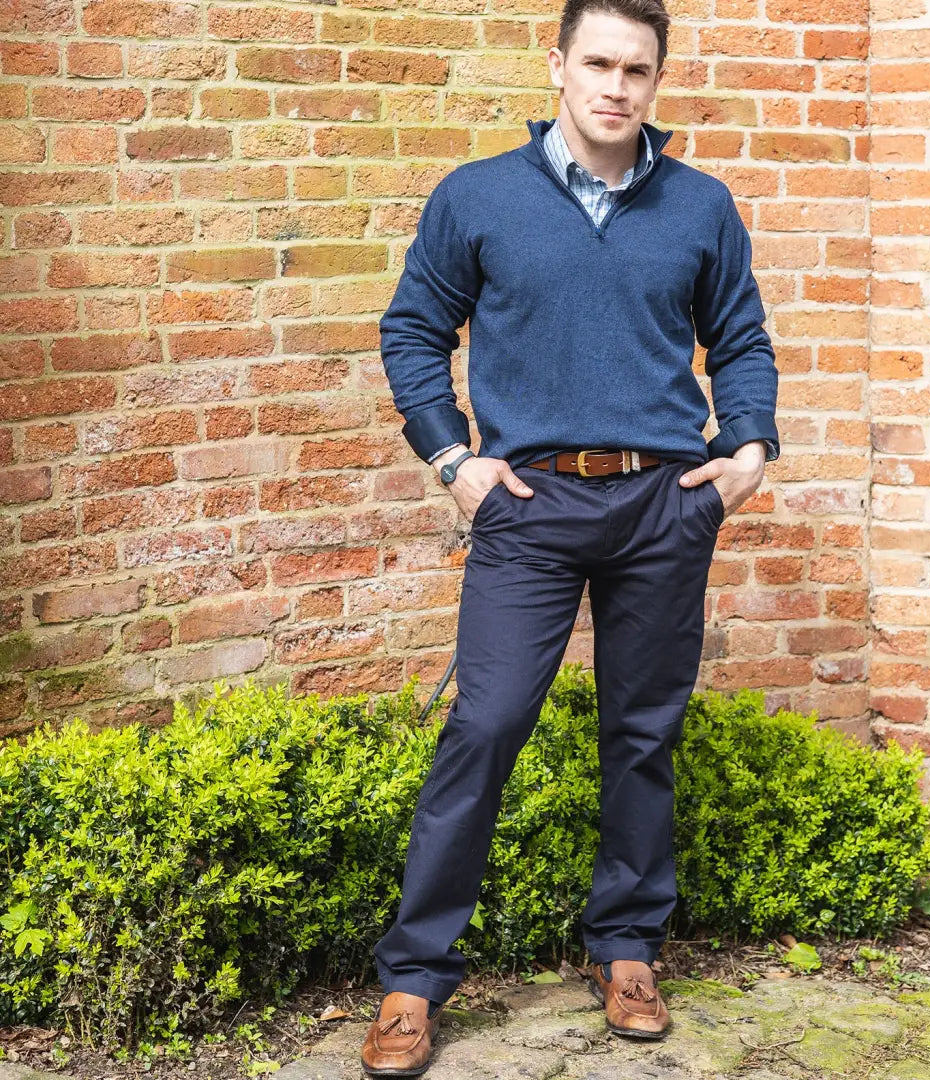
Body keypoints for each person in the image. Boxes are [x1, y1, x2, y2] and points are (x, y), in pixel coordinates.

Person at [362, 0, 780, 1071]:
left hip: (662, 504)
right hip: (530, 506)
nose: (616, 86)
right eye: (597, 62)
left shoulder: (701, 207)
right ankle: (414, 978)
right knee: (487, 723)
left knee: (644, 731)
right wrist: (454, 461)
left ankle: (627, 945)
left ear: (657, 80)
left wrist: (748, 452)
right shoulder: (480, 197)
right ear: (556, 65)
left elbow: (740, 337)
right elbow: (414, 328)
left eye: (637, 70)